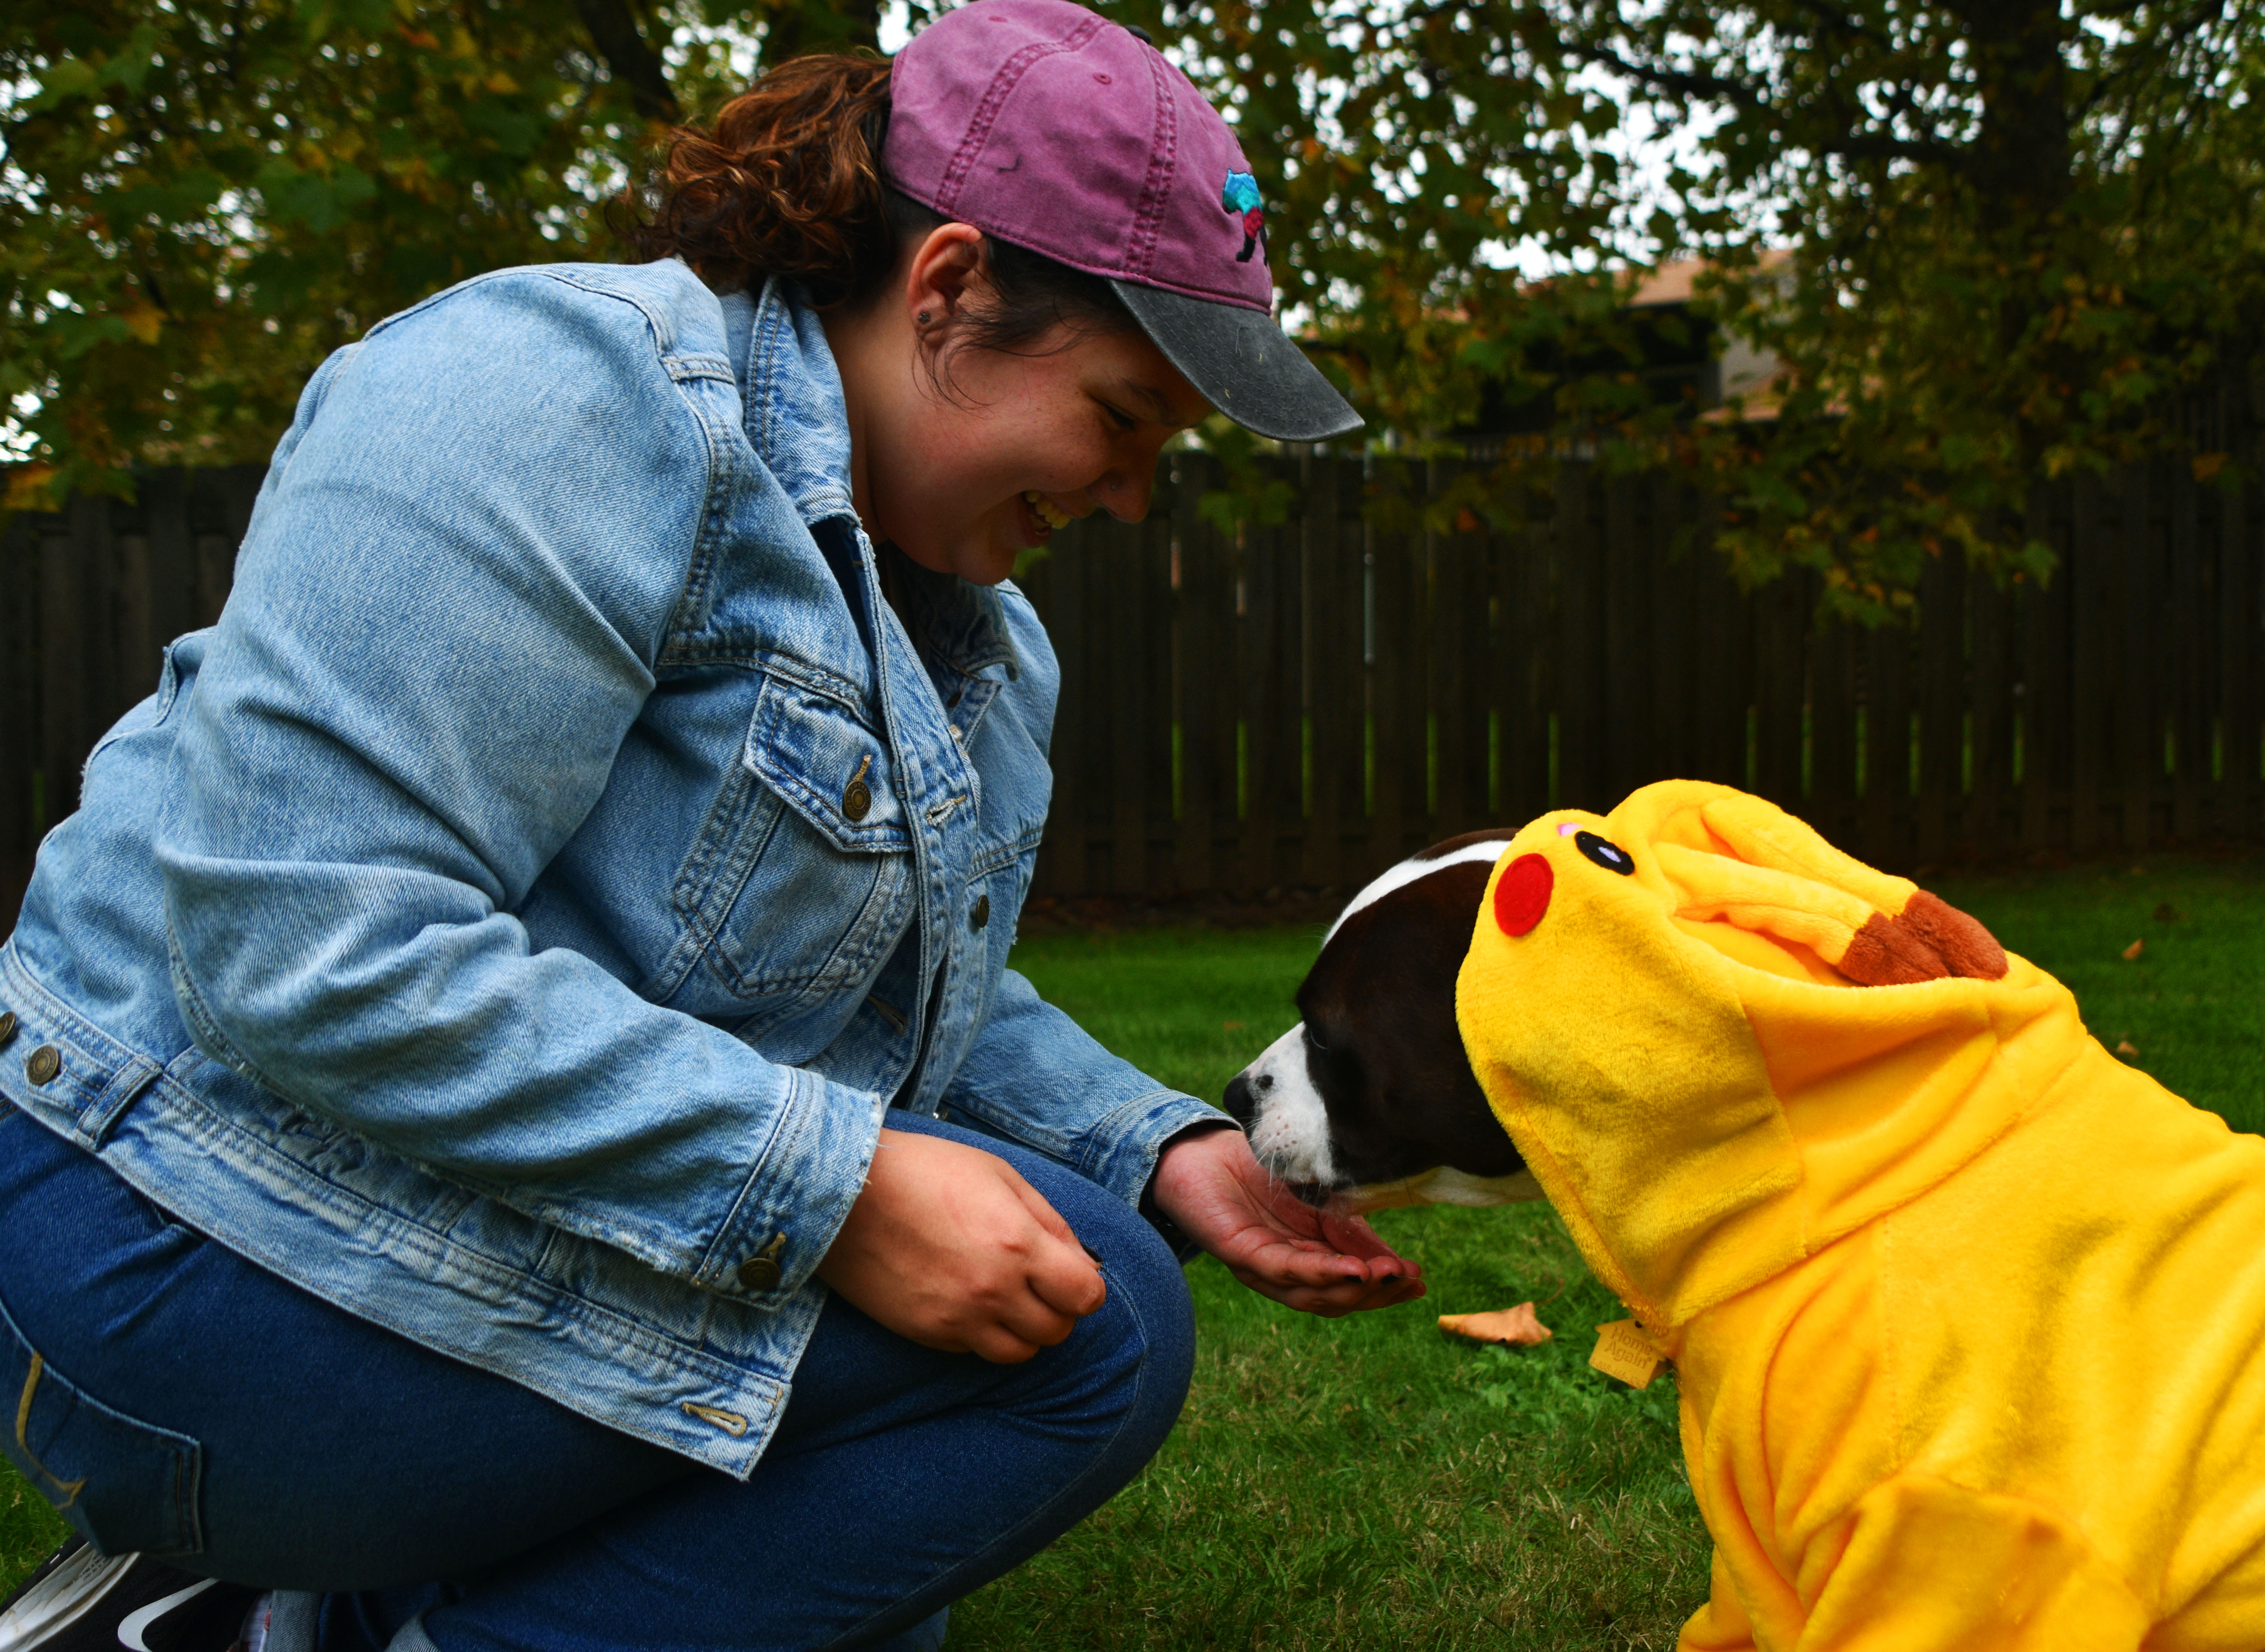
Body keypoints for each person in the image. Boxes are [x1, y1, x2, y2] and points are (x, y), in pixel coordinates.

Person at [0, 4, 1421, 1648]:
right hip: (171, 1237)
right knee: (1085, 1336)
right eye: (1120, 416)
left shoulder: (977, 633)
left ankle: (265, 1616)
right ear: (948, 289)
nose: (1126, 499)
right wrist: (838, 1190)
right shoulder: (546, 396)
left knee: (1009, 1345)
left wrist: (1157, 1148)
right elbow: (310, 936)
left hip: (399, 1210)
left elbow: (892, 1001)